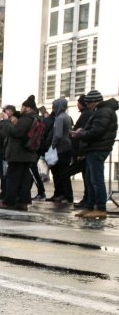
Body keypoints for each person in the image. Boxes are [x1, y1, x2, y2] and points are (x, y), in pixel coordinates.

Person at [71, 90, 118, 219]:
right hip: (95, 148)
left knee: (96, 180)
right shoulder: (101, 111)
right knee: (90, 179)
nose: (88, 105)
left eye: (89, 103)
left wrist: (80, 134)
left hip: (98, 148)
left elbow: (97, 132)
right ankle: (89, 206)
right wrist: (82, 131)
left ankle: (100, 208)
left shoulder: (103, 112)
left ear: (95, 101)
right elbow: (94, 129)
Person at [0, 96, 39, 211]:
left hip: (19, 154)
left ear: (28, 108)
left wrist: (7, 121)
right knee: (24, 180)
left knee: (13, 178)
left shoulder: (27, 119)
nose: (21, 109)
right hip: (27, 154)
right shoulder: (34, 118)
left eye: (23, 107)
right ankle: (23, 202)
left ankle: (9, 202)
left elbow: (14, 132)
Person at [46, 98, 74, 204]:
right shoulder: (67, 116)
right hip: (67, 147)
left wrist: (52, 146)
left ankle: (65, 195)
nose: (53, 108)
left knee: (60, 173)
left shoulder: (59, 118)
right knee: (63, 172)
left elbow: (57, 135)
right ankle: (63, 194)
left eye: (54, 106)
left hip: (61, 148)